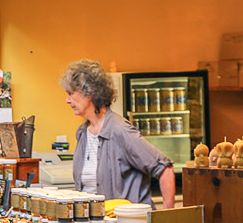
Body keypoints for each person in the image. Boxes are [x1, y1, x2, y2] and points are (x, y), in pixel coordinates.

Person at [61, 60, 176, 208]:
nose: (67, 100)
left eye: (71, 94)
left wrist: (166, 219)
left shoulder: (120, 130)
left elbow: (165, 169)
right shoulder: (82, 133)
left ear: (89, 92)